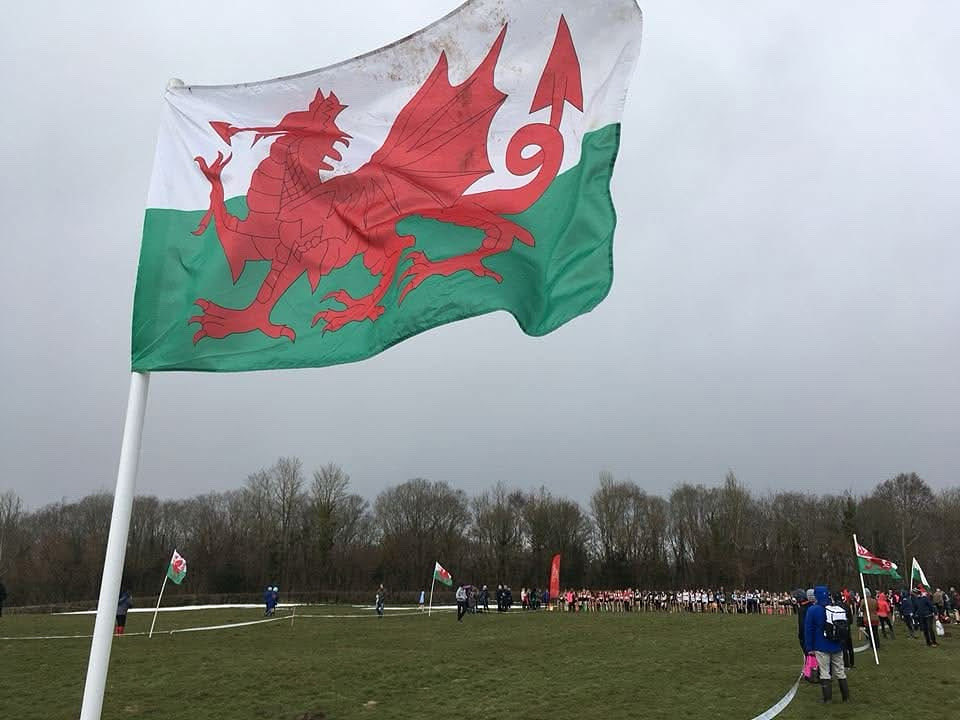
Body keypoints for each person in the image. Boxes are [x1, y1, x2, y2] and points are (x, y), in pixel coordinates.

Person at [804, 585, 849, 703]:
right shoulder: (836, 608)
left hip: (821, 645)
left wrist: (809, 647)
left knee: (824, 672)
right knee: (840, 671)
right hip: (837, 644)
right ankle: (846, 697)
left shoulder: (813, 610)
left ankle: (827, 699)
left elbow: (808, 630)